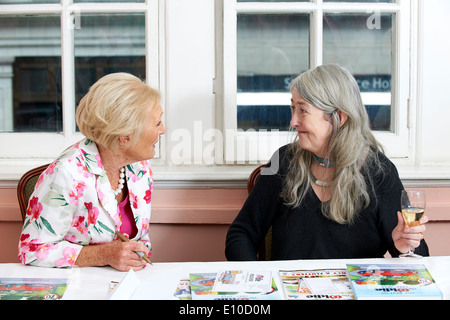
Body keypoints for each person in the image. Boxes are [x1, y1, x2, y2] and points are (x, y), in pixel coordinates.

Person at [225, 64, 429, 260]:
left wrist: (404, 247)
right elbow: (240, 234)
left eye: (303, 110)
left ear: (339, 117)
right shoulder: (282, 161)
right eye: (293, 108)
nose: (293, 121)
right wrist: (257, 284)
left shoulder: (380, 172)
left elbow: (418, 255)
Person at [18, 73, 165, 271]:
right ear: (125, 136)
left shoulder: (140, 168)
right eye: (157, 123)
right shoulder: (67, 173)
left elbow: (139, 240)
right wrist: (103, 254)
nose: (163, 130)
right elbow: (32, 250)